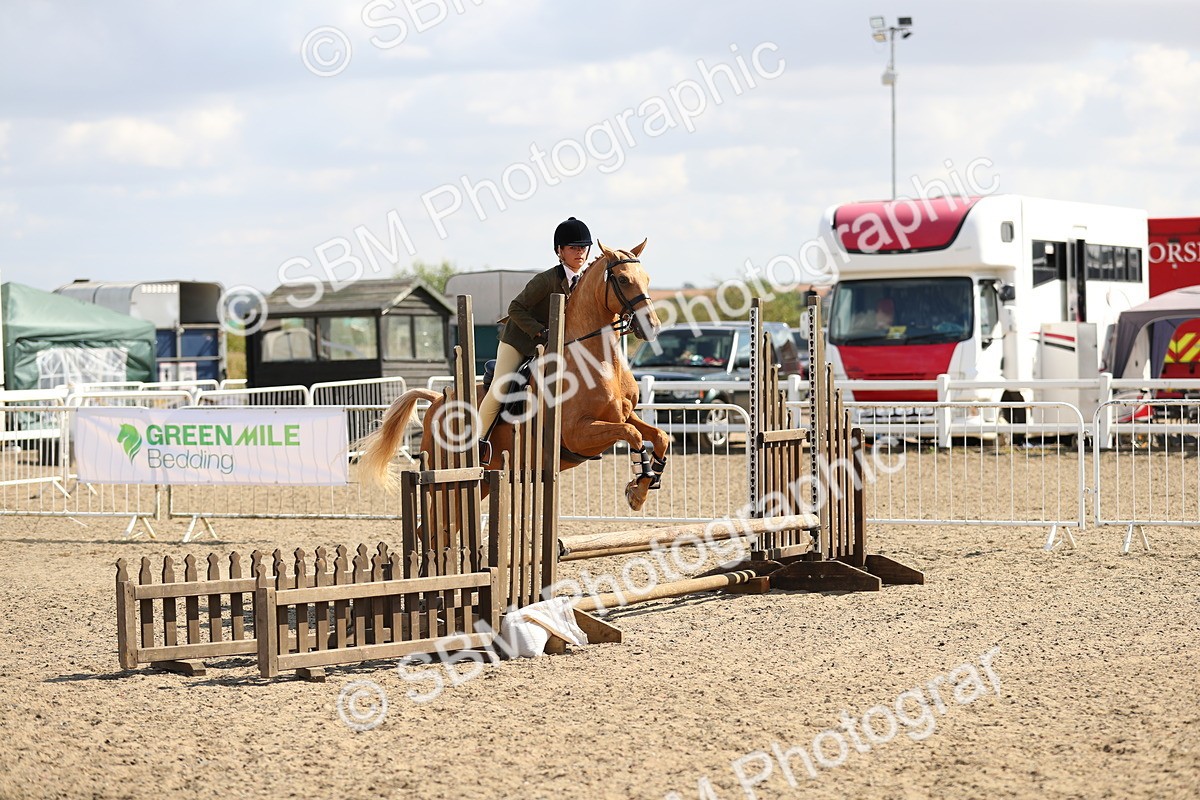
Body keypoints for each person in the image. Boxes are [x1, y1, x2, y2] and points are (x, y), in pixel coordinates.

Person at [476, 216, 593, 453]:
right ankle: (477, 442)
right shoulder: (545, 280)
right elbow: (515, 308)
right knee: (500, 387)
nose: (580, 252)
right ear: (559, 251)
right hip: (520, 341)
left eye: (583, 247)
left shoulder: (585, 283)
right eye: (573, 248)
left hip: (552, 344)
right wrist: (540, 330)